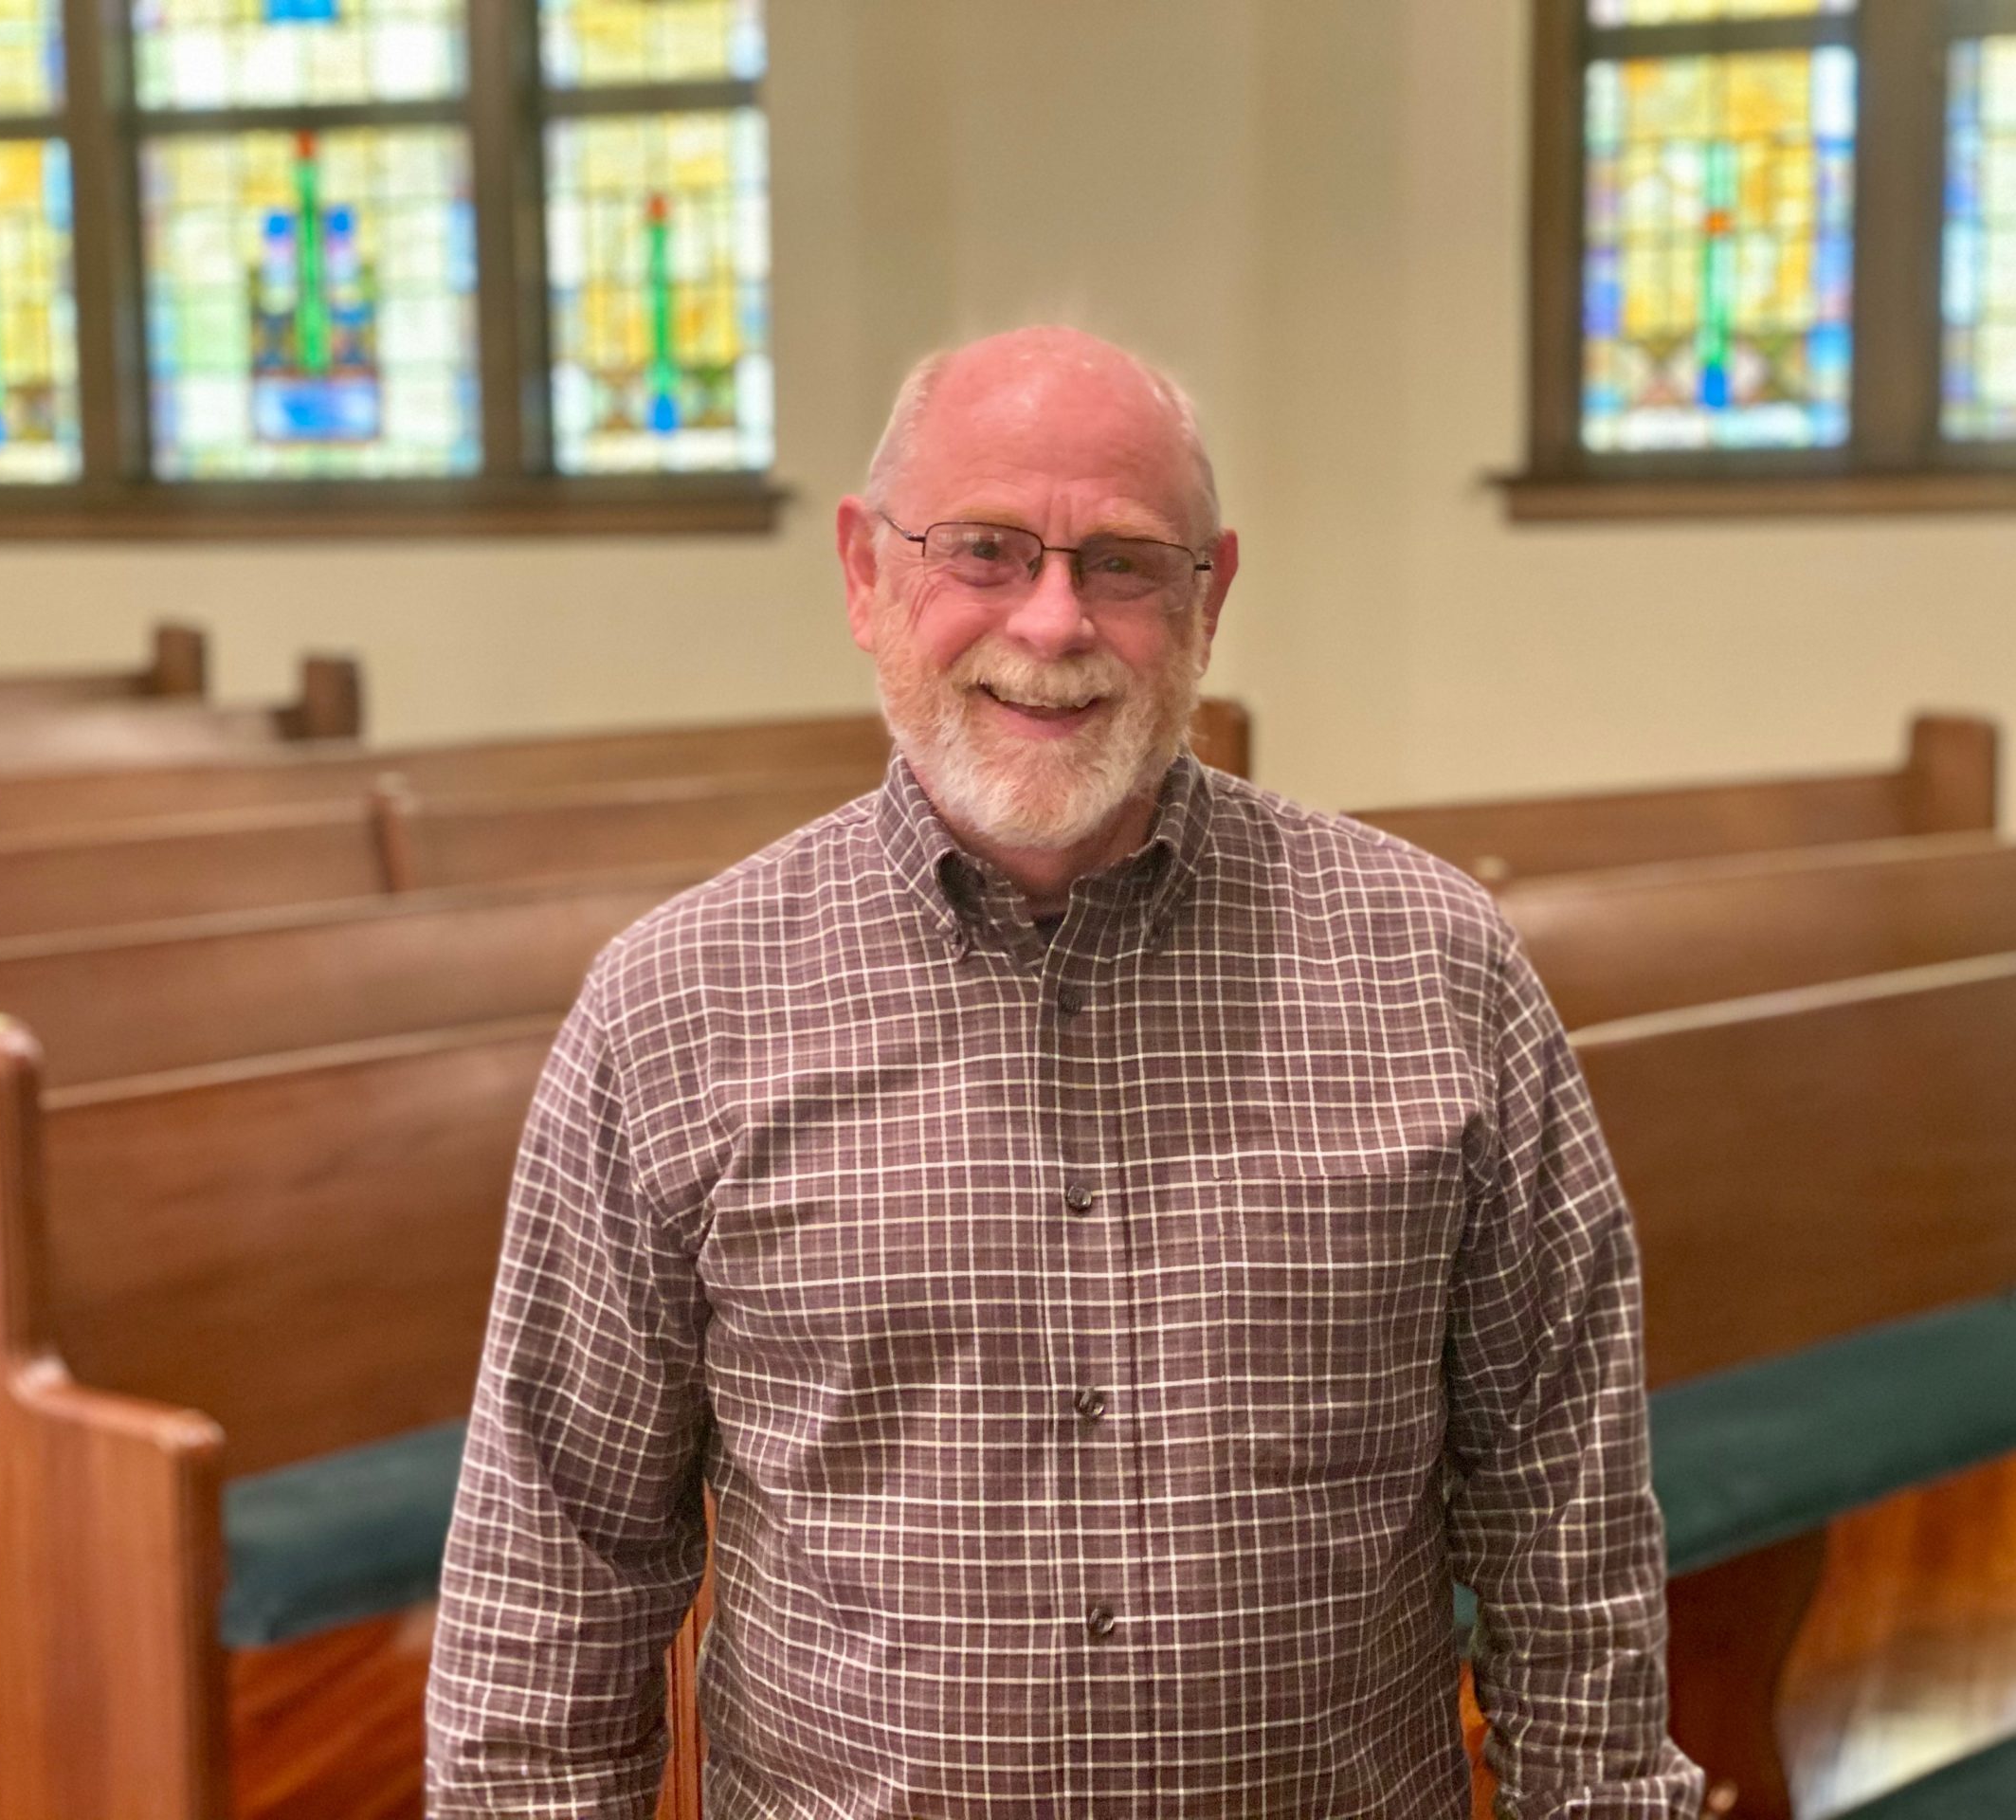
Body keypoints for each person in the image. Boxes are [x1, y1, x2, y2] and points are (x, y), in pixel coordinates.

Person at [426, 326, 1704, 1817]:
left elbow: (1567, 1504)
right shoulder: (675, 1009)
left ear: (1209, 596)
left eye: (1122, 563)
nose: (1049, 623)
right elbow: (557, 1569)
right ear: (865, 572)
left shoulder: (1436, 966)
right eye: (985, 550)